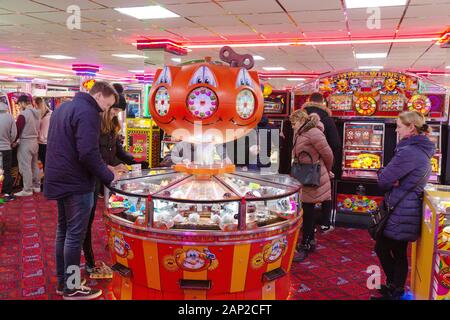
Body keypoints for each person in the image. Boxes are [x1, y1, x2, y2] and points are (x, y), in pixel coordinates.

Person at [44, 81, 125, 300]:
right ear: (98, 96)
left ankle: (64, 282)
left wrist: (104, 165)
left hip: (60, 178)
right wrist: (109, 177)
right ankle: (71, 288)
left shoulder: (64, 108)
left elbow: (70, 147)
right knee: (74, 237)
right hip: (76, 183)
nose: (105, 111)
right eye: (106, 106)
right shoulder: (89, 112)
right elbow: (87, 153)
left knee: (63, 232)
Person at [371, 111, 434, 300]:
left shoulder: (409, 151)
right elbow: (391, 177)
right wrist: (392, 178)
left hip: (401, 210)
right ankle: (394, 287)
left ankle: (395, 289)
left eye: (399, 126)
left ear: (411, 127)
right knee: (397, 251)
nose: (396, 130)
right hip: (407, 207)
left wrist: (387, 175)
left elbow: (383, 180)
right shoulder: (417, 149)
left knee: (384, 248)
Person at [83, 84, 137, 279]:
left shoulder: (114, 124)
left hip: (112, 176)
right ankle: (89, 261)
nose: (115, 114)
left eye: (118, 111)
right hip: (95, 175)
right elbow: (92, 155)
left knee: (119, 211)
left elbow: (117, 151)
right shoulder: (93, 122)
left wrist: (135, 159)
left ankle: (120, 245)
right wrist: (110, 168)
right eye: (113, 109)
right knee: (86, 221)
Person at [290, 110, 334, 262]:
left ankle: (306, 244)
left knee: (307, 212)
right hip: (305, 175)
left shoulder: (314, 133)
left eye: (293, 123)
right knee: (306, 211)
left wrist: (327, 171)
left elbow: (328, 154)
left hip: (313, 176)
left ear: (301, 121)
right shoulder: (302, 133)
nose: (292, 126)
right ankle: (310, 241)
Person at [302, 92, 340, 233]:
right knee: (325, 193)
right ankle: (325, 223)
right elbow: (335, 144)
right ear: (323, 102)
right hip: (321, 162)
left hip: (300, 163)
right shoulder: (326, 118)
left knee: (305, 195)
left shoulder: (300, 116)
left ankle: (307, 225)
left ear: (308, 100)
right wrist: (331, 167)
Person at [14, 95, 41, 197]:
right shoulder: (37, 113)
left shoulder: (23, 114)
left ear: (22, 103)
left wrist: (14, 141)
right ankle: (37, 186)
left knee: (25, 167)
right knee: (34, 165)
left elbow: (17, 130)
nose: (19, 106)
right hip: (35, 141)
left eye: (19, 104)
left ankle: (27, 189)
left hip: (25, 142)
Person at [0, 102, 17, 201]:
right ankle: (7, 193)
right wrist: (9, 141)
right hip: (6, 148)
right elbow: (14, 134)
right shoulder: (10, 117)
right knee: (7, 171)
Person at [35, 97, 52, 172]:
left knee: (45, 163)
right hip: (49, 142)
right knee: (47, 163)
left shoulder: (44, 117)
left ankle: (46, 180)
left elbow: (41, 131)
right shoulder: (50, 113)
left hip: (42, 143)